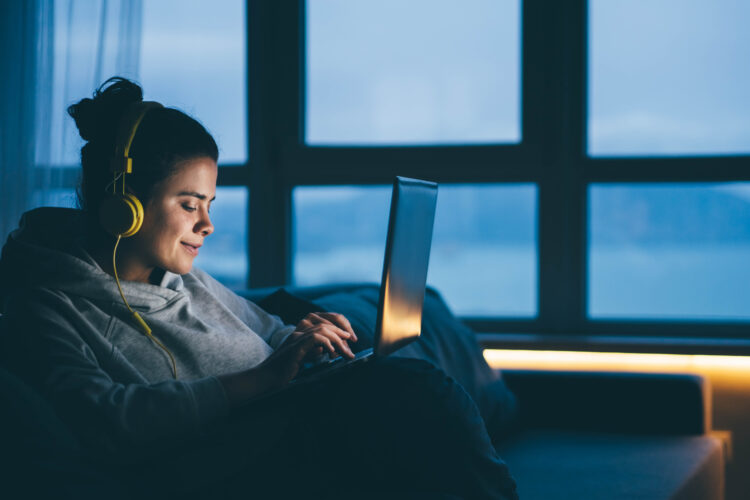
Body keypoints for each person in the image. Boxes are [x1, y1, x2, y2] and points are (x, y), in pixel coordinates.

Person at [0, 77, 518, 499]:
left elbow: (268, 328)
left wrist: (305, 333)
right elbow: (104, 418)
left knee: (407, 384)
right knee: (418, 392)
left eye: (209, 204)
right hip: (231, 460)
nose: (206, 225)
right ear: (123, 202)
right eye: (188, 204)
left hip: (290, 419)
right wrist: (262, 382)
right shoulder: (46, 301)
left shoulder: (183, 278)